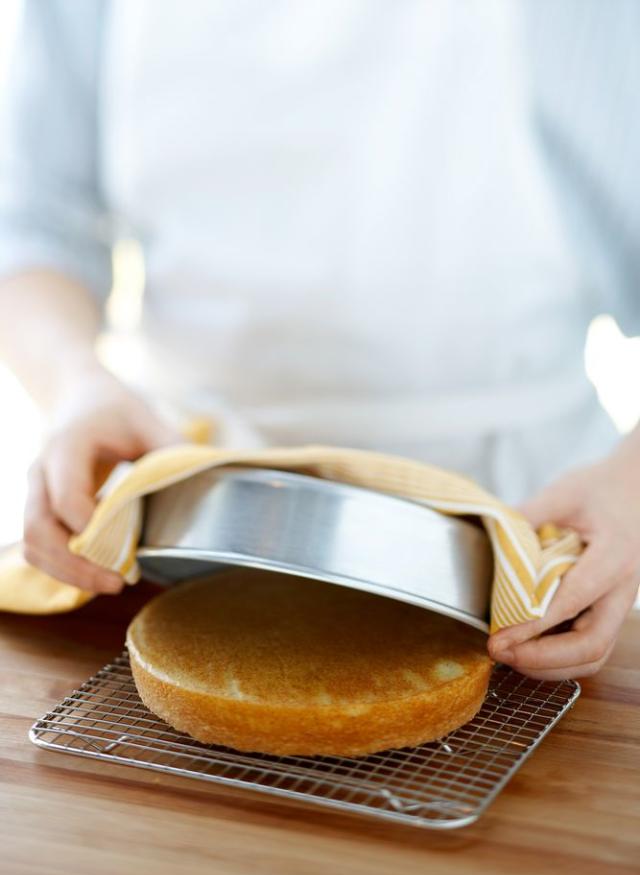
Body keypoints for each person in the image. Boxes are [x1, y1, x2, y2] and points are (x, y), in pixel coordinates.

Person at [0, 0, 639, 680]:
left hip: (521, 535)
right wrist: (76, 383)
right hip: (183, 516)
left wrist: (630, 487)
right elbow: (34, 227)